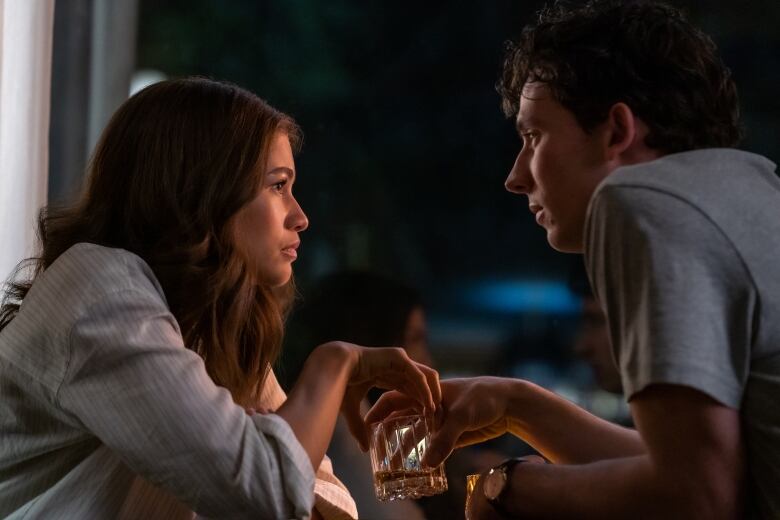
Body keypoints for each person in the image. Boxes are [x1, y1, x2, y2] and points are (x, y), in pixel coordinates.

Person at [367, 1, 780, 518]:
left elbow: (696, 497)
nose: (516, 176)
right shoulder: (754, 187)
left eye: (533, 135)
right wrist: (519, 406)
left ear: (617, 131)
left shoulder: (637, 202)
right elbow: (716, 473)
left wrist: (512, 489)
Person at [0, 78, 440, 520]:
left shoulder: (207, 326)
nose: (300, 217)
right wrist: (335, 363)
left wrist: (269, 450)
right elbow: (269, 490)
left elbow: (327, 498)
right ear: (204, 188)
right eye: (277, 185)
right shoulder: (97, 286)